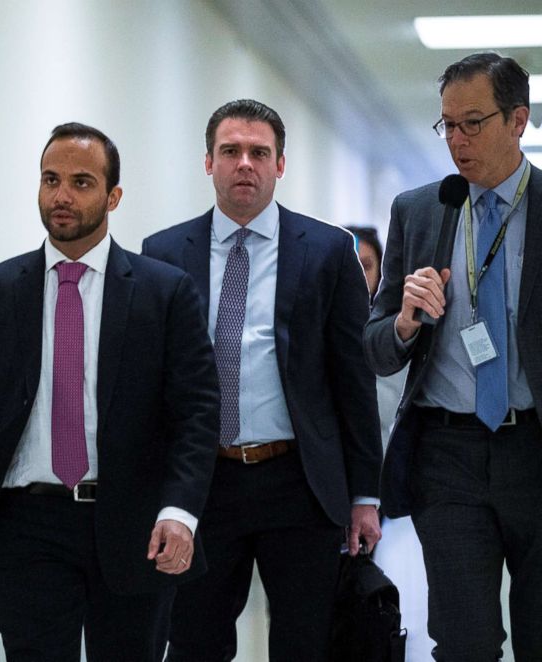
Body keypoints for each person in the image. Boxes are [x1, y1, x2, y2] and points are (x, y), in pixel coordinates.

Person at [0, 122, 219, 661]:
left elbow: (196, 413)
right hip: (25, 524)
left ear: (114, 196)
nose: (61, 196)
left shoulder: (163, 291)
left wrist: (180, 511)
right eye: (50, 179)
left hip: (134, 522)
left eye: (81, 182)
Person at [143, 99, 383, 661]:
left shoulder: (327, 251)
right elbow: (153, 385)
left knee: (304, 643)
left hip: (297, 481)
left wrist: (364, 495)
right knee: (194, 642)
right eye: (230, 151)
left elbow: (353, 380)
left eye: (259, 152)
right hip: (204, 482)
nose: (244, 163)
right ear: (208, 163)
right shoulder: (163, 253)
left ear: (280, 165)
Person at [364, 52, 541, 661]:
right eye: (447, 126)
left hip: (534, 446)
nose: (457, 142)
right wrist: (407, 323)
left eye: (473, 123)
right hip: (449, 454)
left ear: (518, 120)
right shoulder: (420, 209)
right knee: (463, 642)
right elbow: (376, 344)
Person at [348, 226, 433, 661]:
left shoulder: (391, 331)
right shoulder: (321, 318)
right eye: (352, 265)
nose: (359, 274)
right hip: (328, 474)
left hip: (377, 471)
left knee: (361, 570)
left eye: (366, 266)